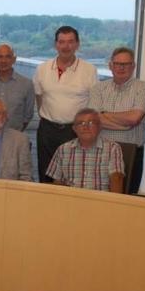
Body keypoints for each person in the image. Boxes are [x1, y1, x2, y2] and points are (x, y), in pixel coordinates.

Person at [33, 26, 98, 182]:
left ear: (77, 44)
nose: (66, 46)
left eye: (70, 42)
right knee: (46, 174)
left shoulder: (89, 70)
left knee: (72, 177)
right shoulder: (42, 69)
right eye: (61, 42)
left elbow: (93, 104)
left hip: (75, 131)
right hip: (47, 130)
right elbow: (39, 97)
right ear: (56, 44)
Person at [87, 47, 145, 193]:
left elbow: (135, 118)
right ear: (110, 65)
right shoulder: (98, 89)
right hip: (102, 152)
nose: (121, 68)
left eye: (126, 64)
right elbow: (93, 120)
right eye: (117, 64)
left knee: (126, 199)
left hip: (131, 152)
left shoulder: (143, 88)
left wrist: (104, 114)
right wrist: (124, 124)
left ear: (133, 66)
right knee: (99, 195)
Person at [45, 108, 124, 193]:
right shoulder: (63, 150)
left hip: (100, 202)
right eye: (81, 123)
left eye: (91, 123)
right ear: (74, 129)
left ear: (99, 127)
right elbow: (57, 184)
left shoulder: (113, 148)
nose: (85, 127)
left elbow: (116, 180)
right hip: (71, 201)